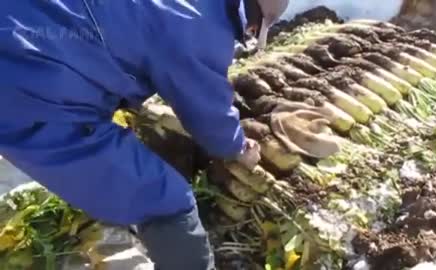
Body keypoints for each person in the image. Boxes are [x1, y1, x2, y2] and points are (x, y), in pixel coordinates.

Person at [0, 0, 289, 269]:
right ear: (253, 23)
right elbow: (207, 109)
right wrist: (237, 147)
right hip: (32, 86)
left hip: (18, 27)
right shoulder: (205, 27)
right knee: (165, 199)